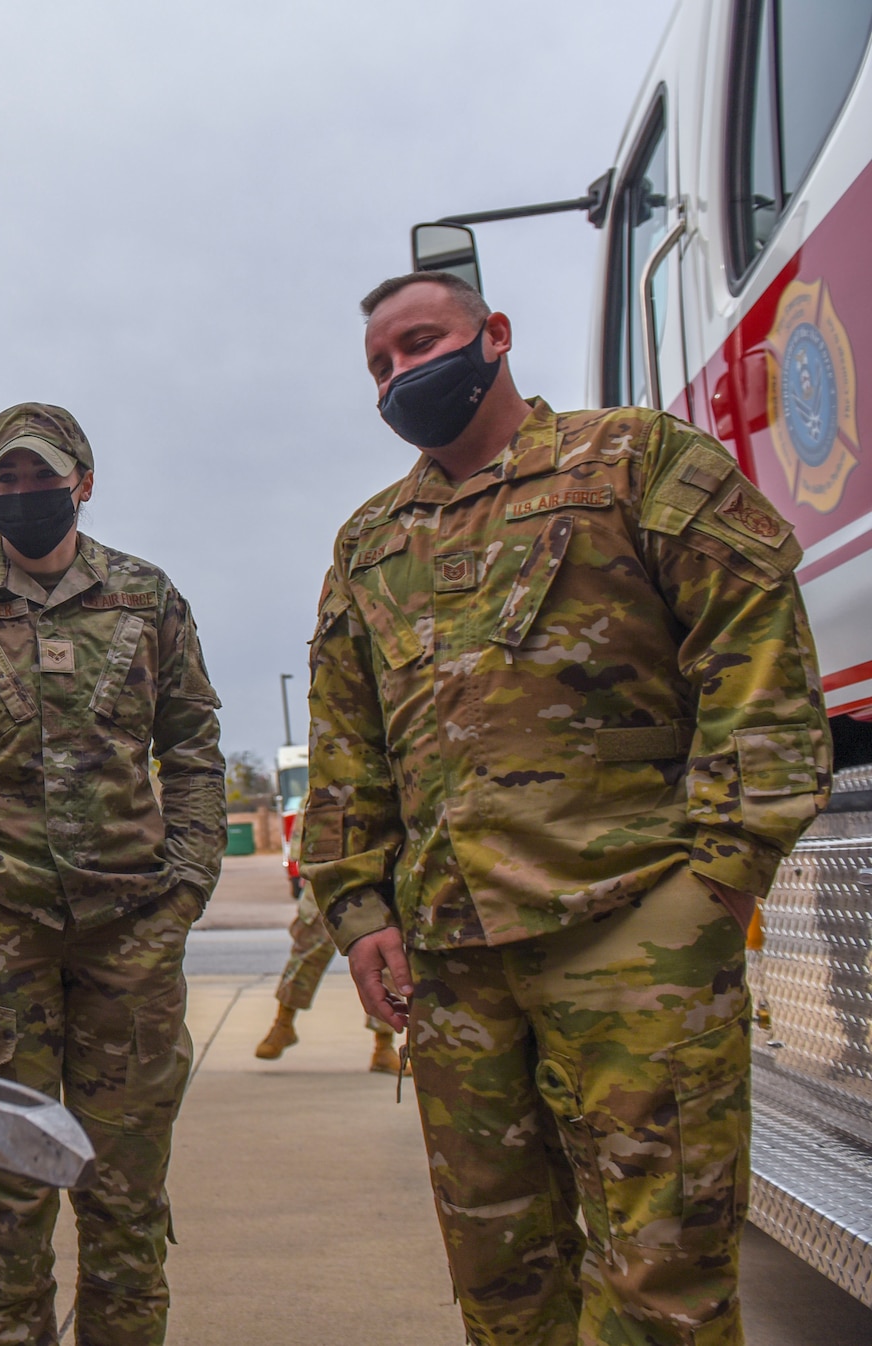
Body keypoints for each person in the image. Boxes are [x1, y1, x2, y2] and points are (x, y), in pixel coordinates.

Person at [306, 271, 831, 1345]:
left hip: (632, 935)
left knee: (661, 1285)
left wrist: (716, 880)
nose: (401, 372)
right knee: (502, 1286)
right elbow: (346, 751)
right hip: (455, 965)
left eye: (420, 341)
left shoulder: (634, 461)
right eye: (379, 364)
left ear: (492, 336)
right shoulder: (368, 544)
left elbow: (755, 657)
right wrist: (356, 912)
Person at [0, 403, 225, 1346]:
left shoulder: (147, 598)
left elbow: (193, 750)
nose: (24, 494)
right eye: (6, 480)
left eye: (42, 476)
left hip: (130, 936)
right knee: (7, 1206)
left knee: (124, 1199)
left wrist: (185, 887)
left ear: (84, 482)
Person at [254, 817, 406, 1072]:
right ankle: (283, 1025)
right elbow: (316, 810)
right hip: (330, 867)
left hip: (380, 865)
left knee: (386, 959)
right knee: (308, 948)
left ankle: (383, 1046)